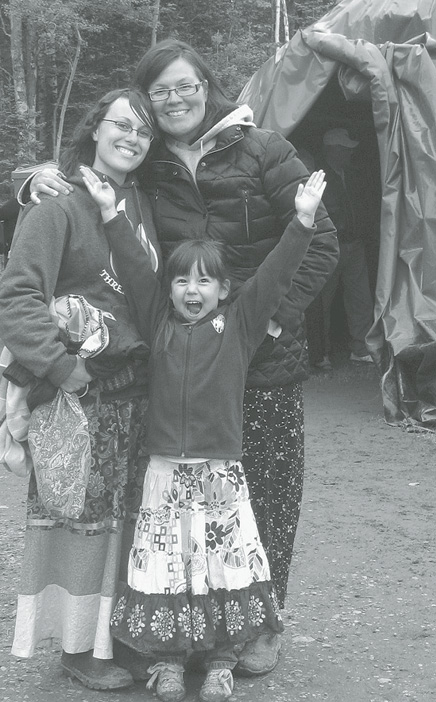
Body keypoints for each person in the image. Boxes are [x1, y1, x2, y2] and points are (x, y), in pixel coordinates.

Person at [25, 38, 339, 676]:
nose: (173, 99)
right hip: (178, 356)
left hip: (259, 350)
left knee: (265, 495)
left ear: (208, 87)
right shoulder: (151, 164)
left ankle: (256, 626)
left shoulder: (263, 149)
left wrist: (269, 324)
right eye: (160, 89)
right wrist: (32, 175)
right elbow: (94, 172)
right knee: (169, 503)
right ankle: (174, 628)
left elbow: (321, 240)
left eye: (185, 86)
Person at [81, 164, 327, 702]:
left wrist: (302, 223)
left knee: (224, 566)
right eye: (182, 279)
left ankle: (221, 660)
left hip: (220, 474)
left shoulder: (240, 326)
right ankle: (169, 662)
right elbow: (135, 270)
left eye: (204, 281)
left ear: (224, 289)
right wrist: (109, 214)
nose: (192, 290)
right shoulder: (158, 321)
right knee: (169, 566)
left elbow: (276, 276)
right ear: (169, 288)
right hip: (165, 475)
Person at [0, 88, 161, 690]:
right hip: (77, 396)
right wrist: (60, 367)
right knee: (81, 520)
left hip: (134, 392)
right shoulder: (56, 204)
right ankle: (75, 647)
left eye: (143, 132)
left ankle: (116, 636)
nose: (133, 138)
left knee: (125, 519)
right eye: (122, 124)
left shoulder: (140, 202)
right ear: (95, 128)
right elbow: (16, 296)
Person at [317, 127, 374, 365]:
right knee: (322, 301)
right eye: (345, 149)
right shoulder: (318, 176)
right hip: (330, 247)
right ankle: (321, 353)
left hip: (353, 245)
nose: (350, 153)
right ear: (333, 150)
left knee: (360, 298)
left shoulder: (351, 174)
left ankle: (360, 349)